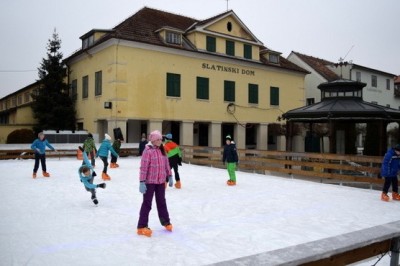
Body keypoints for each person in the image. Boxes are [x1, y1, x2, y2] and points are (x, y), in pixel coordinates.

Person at [137, 130, 173, 237]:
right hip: (149, 182)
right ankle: (141, 226)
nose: (160, 141)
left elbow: (166, 163)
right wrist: (142, 181)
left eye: (161, 139)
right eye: (158, 139)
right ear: (153, 140)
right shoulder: (147, 151)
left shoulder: (162, 150)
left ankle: (166, 222)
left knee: (162, 202)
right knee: (147, 204)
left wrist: (170, 175)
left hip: (161, 181)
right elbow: (143, 168)